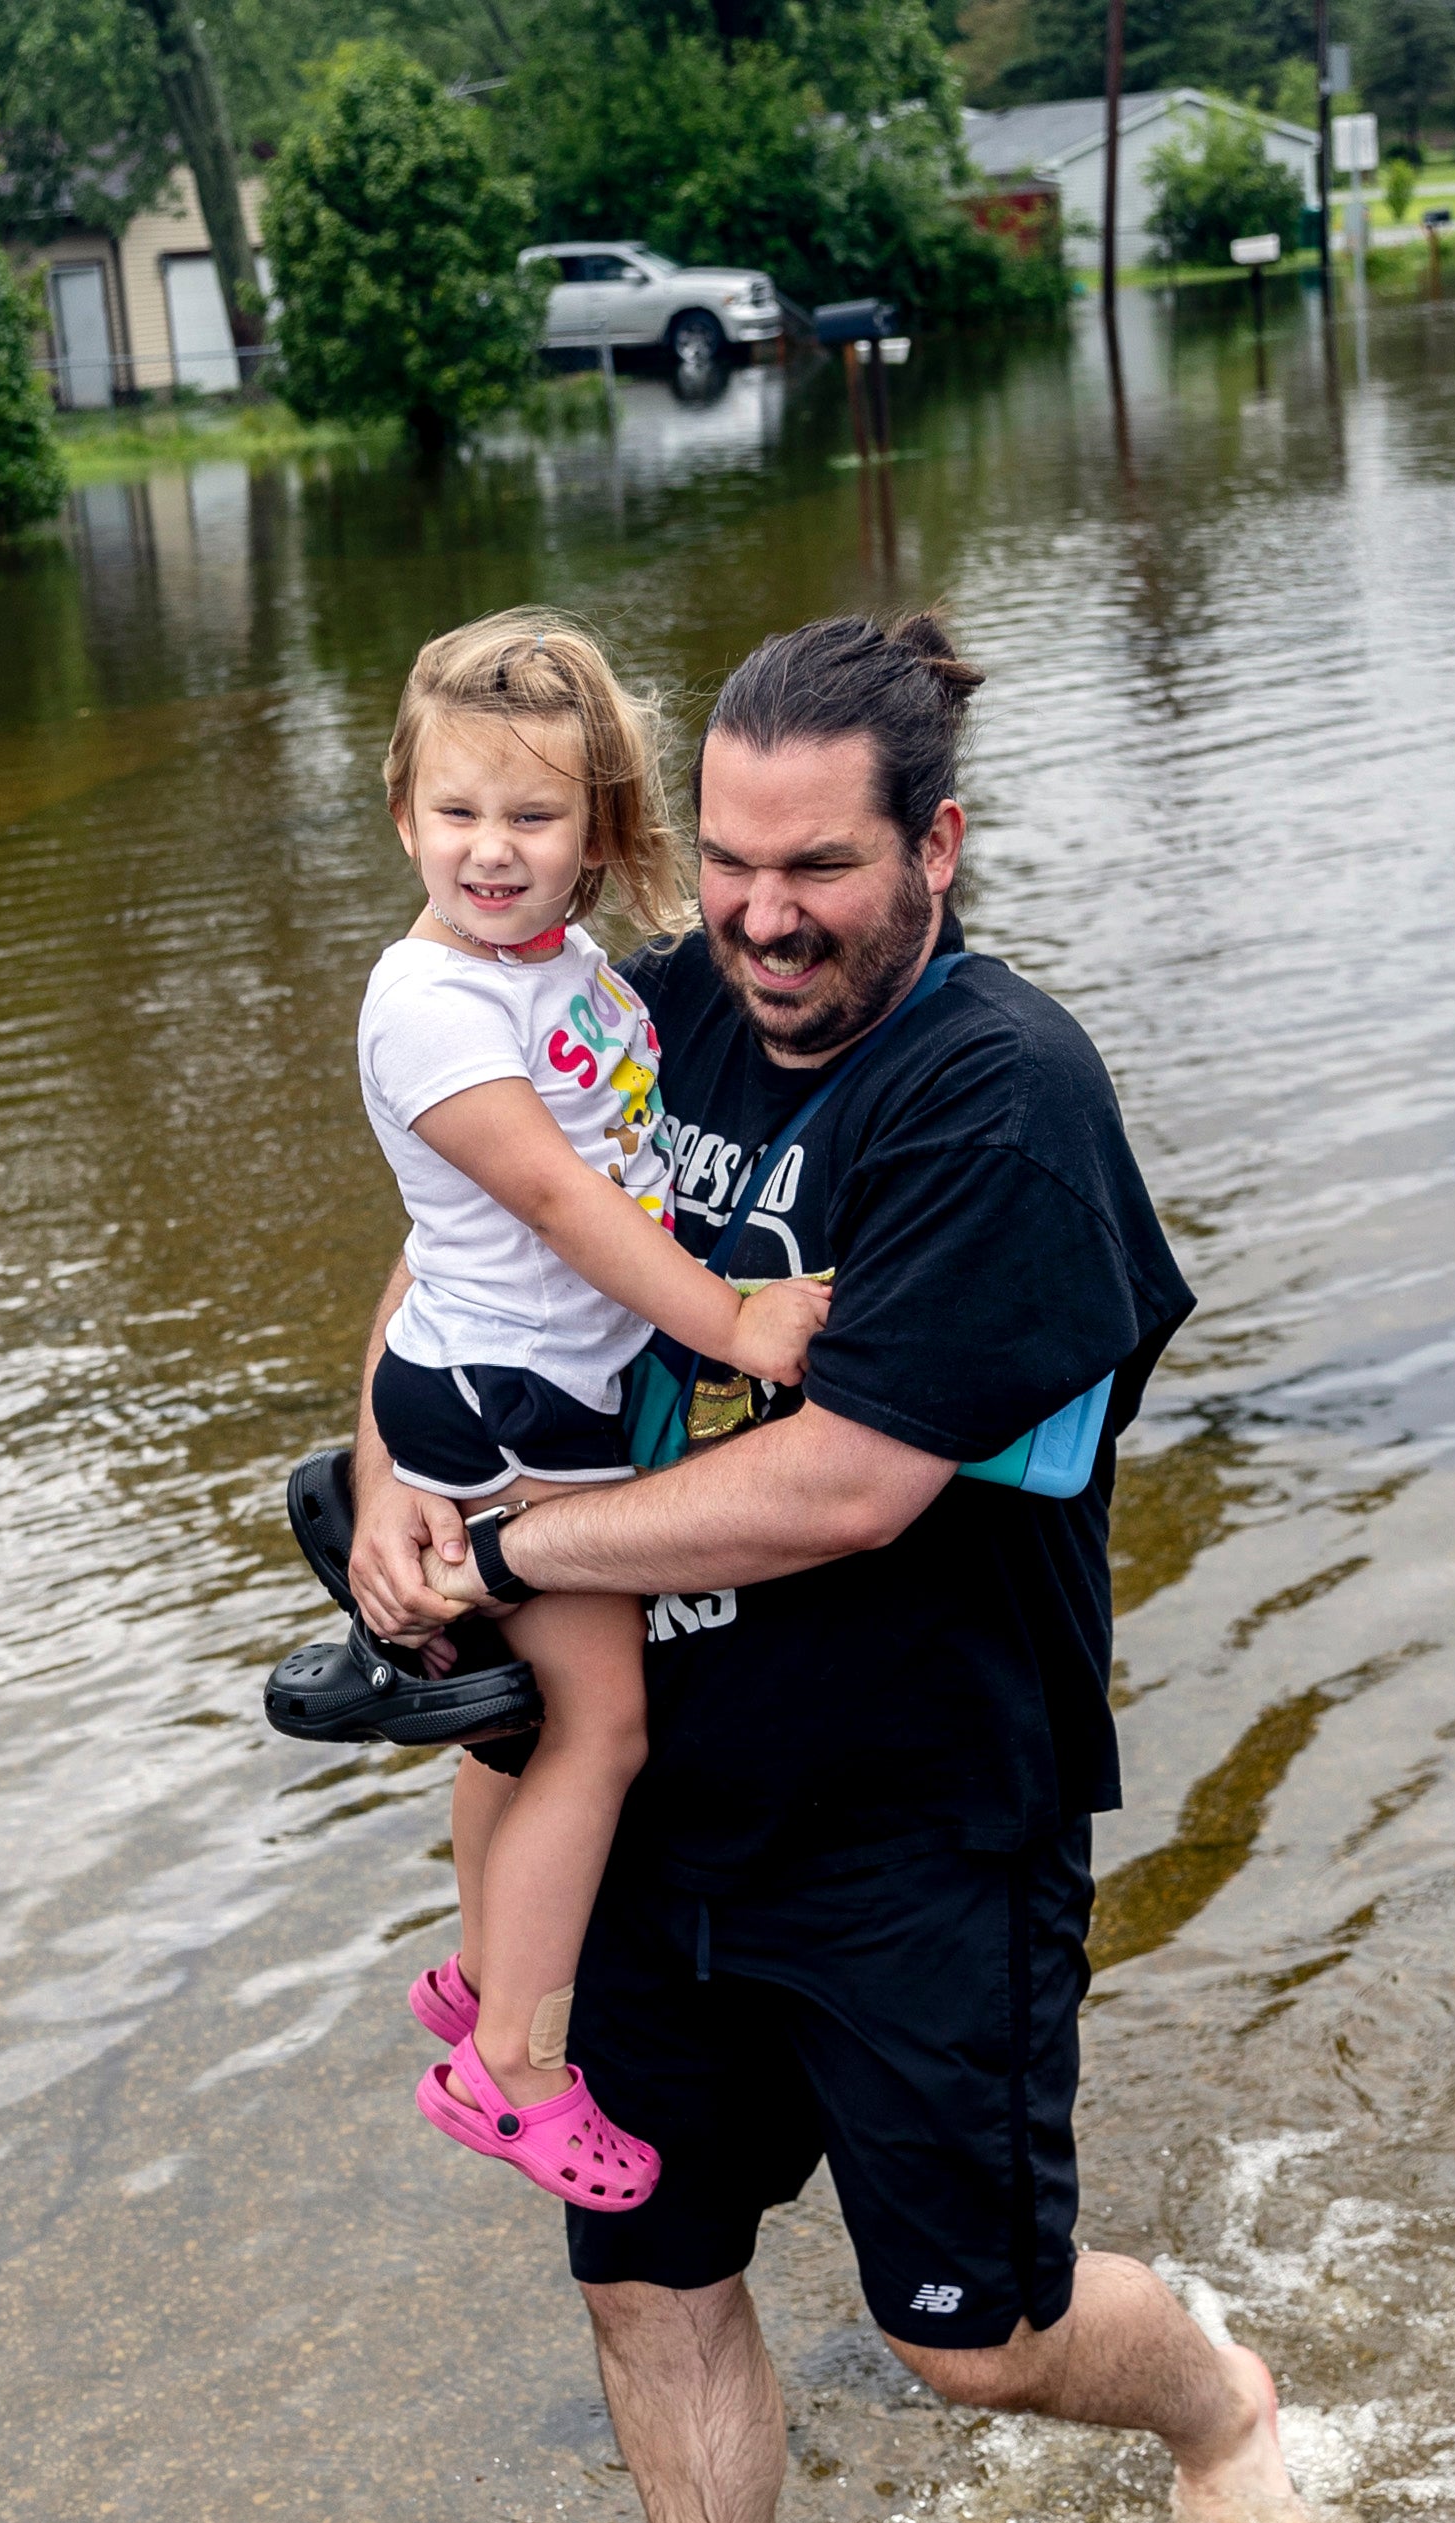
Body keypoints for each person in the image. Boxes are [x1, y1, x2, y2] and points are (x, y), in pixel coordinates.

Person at [344, 611, 1327, 2523]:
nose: (762, 923)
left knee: (968, 2340)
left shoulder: (1004, 1102)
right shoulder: (649, 1002)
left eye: (819, 873)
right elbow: (476, 1214)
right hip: (651, 1805)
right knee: (652, 2265)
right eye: (723, 865)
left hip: (913, 1813)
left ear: (938, 848)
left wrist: (500, 1560)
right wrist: (398, 1464)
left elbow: (848, 1481)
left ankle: (1216, 2406)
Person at [350, 613, 833, 2214]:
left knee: (519, 1720)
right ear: (404, 812)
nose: (491, 850)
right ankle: (516, 2065)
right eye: (458, 812)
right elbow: (556, 1202)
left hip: (508, 1381)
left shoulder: (557, 969)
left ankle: (484, 1960)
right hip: (509, 1403)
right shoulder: (429, 1003)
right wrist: (737, 1322)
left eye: (533, 817)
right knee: (599, 1730)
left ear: (599, 834)